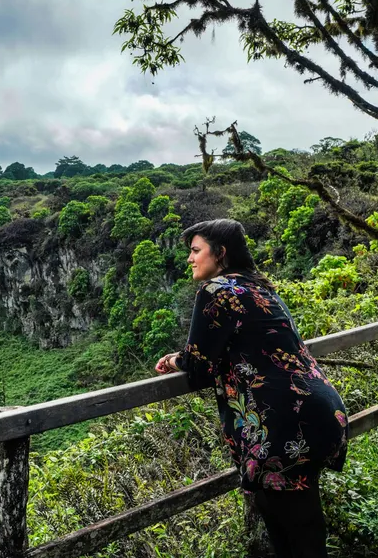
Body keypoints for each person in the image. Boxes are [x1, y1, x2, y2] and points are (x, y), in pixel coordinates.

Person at [155, 219, 347, 558]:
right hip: (320, 406)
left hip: (284, 421)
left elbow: (198, 368)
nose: (190, 259)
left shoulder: (216, 291)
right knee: (294, 520)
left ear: (220, 252)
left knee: (295, 530)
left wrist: (173, 360)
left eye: (196, 251)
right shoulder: (259, 287)